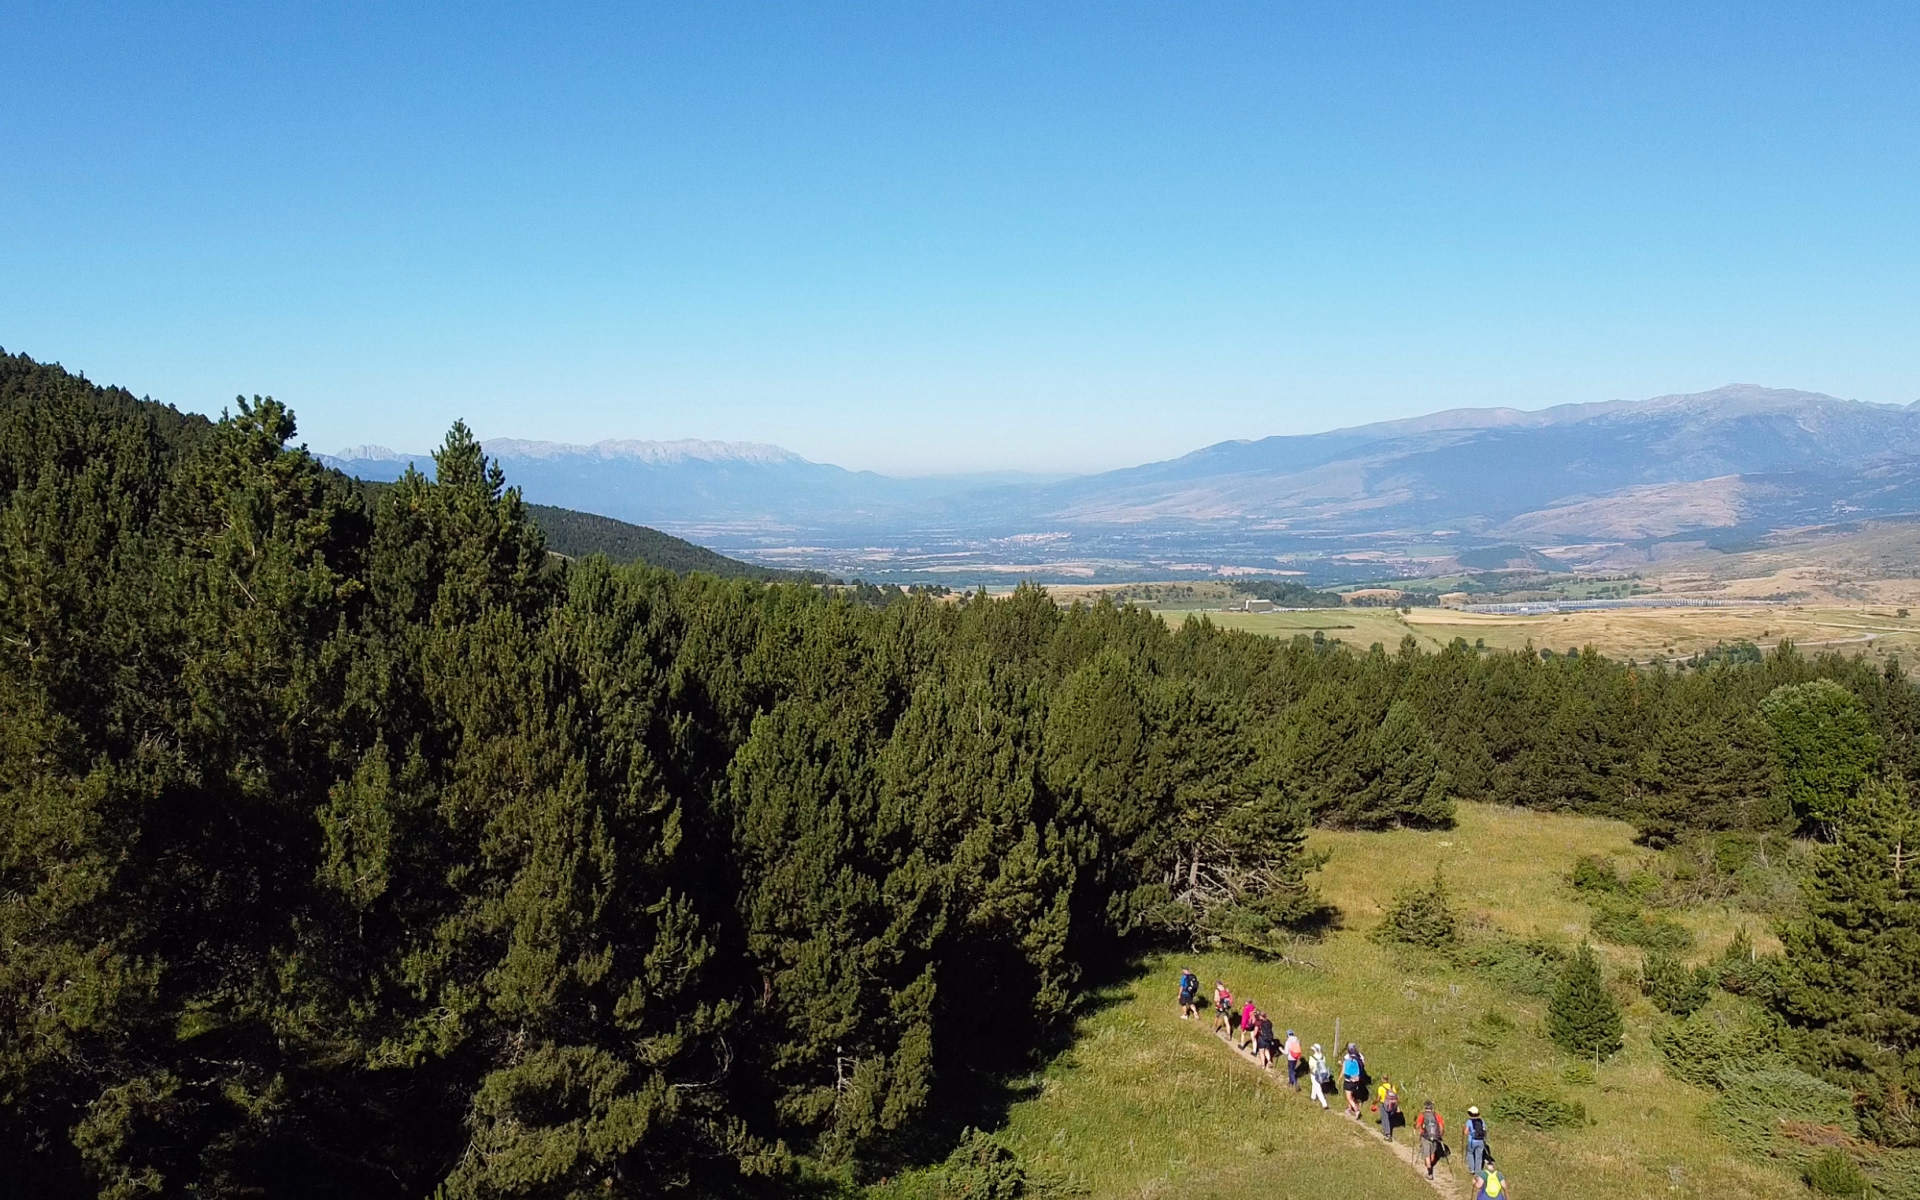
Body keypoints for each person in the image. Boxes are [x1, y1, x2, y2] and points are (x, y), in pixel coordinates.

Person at [1417, 1100, 1445, 1180]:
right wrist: (1440, 1135)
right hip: (1435, 1137)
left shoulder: (1422, 1115)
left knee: (1426, 1155)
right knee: (1432, 1153)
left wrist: (1417, 1127)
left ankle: (1430, 1173)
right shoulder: (1436, 1116)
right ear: (1432, 1108)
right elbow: (1441, 1126)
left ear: (1425, 1107)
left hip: (1425, 1137)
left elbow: (1418, 1125)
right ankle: (1431, 1164)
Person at [1464, 1104, 1490, 1174]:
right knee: (1479, 1156)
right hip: (1481, 1141)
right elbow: (1485, 1129)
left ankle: (1472, 1169)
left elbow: (1465, 1132)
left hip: (1472, 1141)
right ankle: (1478, 1171)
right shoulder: (1482, 1121)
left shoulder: (1469, 1121)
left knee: (1470, 1153)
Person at [1341, 1044, 1365, 1119]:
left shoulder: (1347, 1057)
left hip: (1348, 1080)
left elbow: (1344, 1069)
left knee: (1349, 1097)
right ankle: (1349, 1108)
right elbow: (1363, 1066)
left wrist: (1340, 1064)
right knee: (1352, 1095)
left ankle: (1356, 1110)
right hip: (1357, 1079)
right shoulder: (1360, 1056)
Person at [1374, 1077, 1400, 1141]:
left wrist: (1374, 1102)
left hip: (1384, 1105)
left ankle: (1388, 1135)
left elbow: (1379, 1098)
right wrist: (1397, 1106)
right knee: (1388, 1118)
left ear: (1382, 1079)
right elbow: (1396, 1096)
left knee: (1385, 1118)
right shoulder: (1392, 1086)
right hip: (1393, 1105)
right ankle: (1385, 1129)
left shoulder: (1381, 1088)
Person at [1307, 1043, 1332, 1109]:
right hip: (1322, 1074)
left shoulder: (1312, 1058)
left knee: (1318, 1089)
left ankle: (1324, 1104)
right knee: (1314, 1085)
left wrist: (1309, 1070)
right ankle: (1313, 1097)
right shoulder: (1323, 1057)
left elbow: (1311, 1067)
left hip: (1314, 1075)